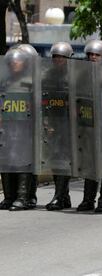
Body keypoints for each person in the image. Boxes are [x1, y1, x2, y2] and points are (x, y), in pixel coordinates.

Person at [76, 39, 102, 212]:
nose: (93, 57)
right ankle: (87, 199)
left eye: (97, 55)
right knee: (90, 163)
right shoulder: (83, 73)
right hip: (88, 122)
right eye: (90, 54)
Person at [0, 48, 38, 211]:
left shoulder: (31, 82)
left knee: (23, 161)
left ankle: (23, 197)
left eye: (19, 60)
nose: (15, 63)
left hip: (25, 127)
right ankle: (9, 196)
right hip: (7, 127)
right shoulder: (5, 81)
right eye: (12, 61)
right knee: (6, 160)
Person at [42, 42, 74, 211]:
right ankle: (62, 195)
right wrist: (46, 122)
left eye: (62, 57)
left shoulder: (75, 76)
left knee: (65, 158)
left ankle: (61, 195)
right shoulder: (48, 76)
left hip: (72, 124)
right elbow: (44, 99)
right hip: (55, 122)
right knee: (56, 158)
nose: (58, 60)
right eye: (55, 57)